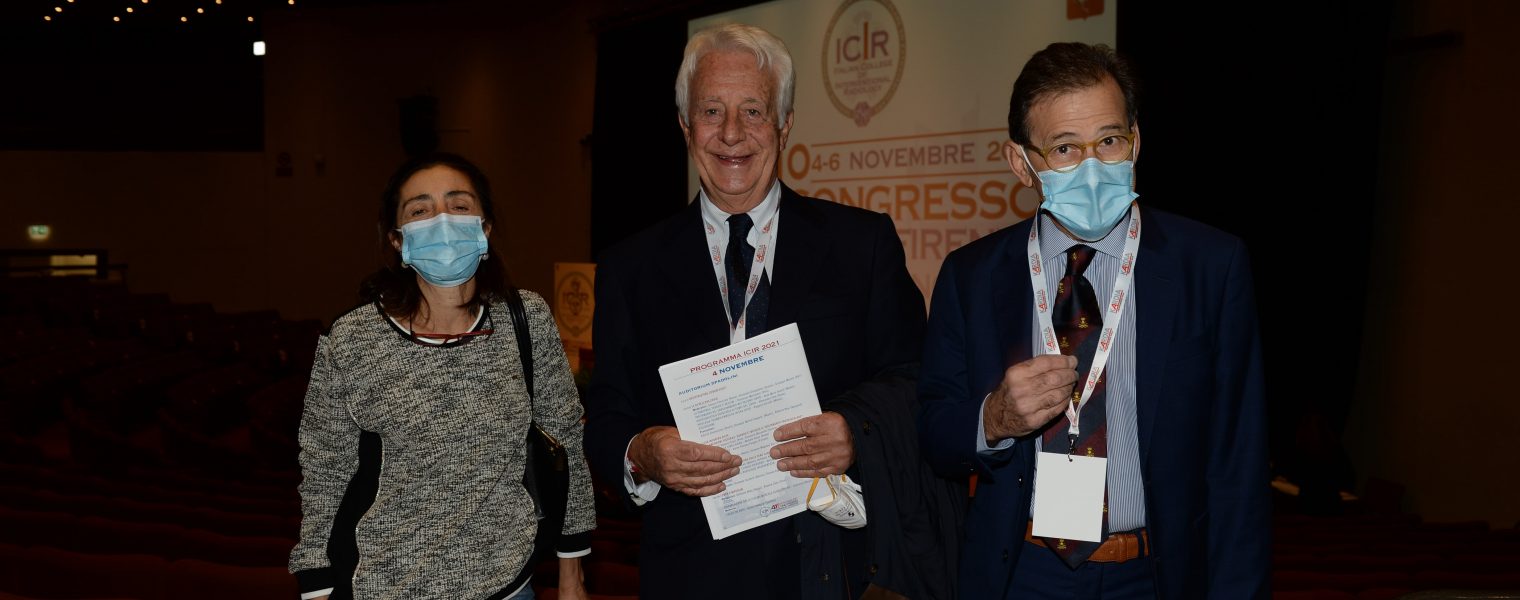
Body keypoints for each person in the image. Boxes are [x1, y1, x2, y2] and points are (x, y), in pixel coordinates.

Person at [585, 23, 961, 600]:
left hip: (827, 566)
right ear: (685, 125)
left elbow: (917, 380)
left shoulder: (861, 245)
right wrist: (643, 454)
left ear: (785, 125)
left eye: (754, 111)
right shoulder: (628, 267)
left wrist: (855, 432)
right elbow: (607, 416)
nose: (731, 133)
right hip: (689, 573)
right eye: (712, 111)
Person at [916, 42, 1269, 599]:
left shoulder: (1210, 266)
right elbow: (934, 431)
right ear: (1021, 163)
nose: (1092, 167)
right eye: (1064, 148)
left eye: (1109, 141)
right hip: (1020, 573)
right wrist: (995, 418)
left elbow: (1239, 462)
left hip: (1156, 574)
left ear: (1136, 140)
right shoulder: (972, 276)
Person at [288, 153, 594, 600]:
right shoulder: (351, 339)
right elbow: (324, 470)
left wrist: (573, 574)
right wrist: (315, 585)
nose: (443, 221)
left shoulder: (526, 318)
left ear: (485, 228)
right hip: (385, 587)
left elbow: (564, 439)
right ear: (397, 240)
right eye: (421, 210)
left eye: (459, 205)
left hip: (509, 585)